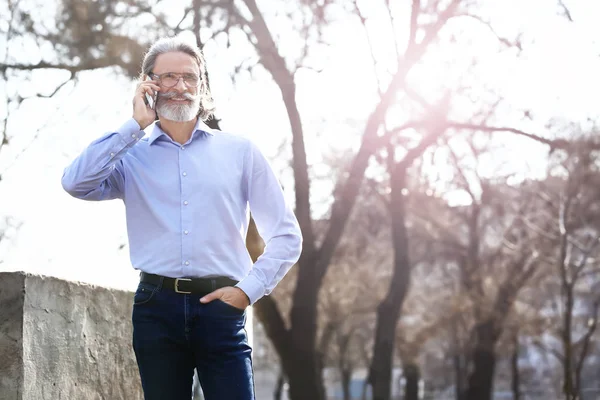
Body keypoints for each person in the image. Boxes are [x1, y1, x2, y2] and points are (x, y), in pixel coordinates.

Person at [61, 36, 303, 400]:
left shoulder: (238, 151)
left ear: (202, 85)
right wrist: (133, 125)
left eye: (190, 77)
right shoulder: (130, 155)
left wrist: (246, 291)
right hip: (155, 307)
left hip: (222, 308)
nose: (180, 86)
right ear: (148, 85)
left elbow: (287, 236)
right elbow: (76, 182)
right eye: (168, 77)